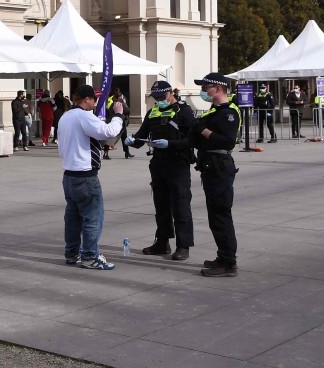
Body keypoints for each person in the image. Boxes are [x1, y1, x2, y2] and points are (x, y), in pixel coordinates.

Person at [126, 81, 195, 261]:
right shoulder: (153, 112)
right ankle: (162, 242)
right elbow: (141, 136)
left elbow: (193, 140)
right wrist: (131, 141)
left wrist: (171, 144)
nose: (158, 101)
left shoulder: (184, 112)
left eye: (161, 97)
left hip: (178, 163)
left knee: (180, 205)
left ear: (171, 93)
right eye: (155, 98)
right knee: (161, 206)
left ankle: (183, 246)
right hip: (159, 164)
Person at [58, 84, 125, 270]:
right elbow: (109, 132)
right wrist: (118, 115)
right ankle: (90, 256)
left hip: (69, 174)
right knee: (93, 217)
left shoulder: (66, 116)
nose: (95, 103)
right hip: (85, 175)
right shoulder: (84, 116)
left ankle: (72, 253)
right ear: (87, 99)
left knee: (73, 217)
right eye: (93, 99)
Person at [190, 73, 241, 277]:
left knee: (221, 215)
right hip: (211, 167)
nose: (204, 91)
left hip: (220, 167)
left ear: (218, 88)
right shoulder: (214, 111)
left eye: (207, 87)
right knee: (215, 216)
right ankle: (223, 256)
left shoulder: (228, 112)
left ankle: (229, 263)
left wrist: (203, 131)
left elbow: (228, 141)